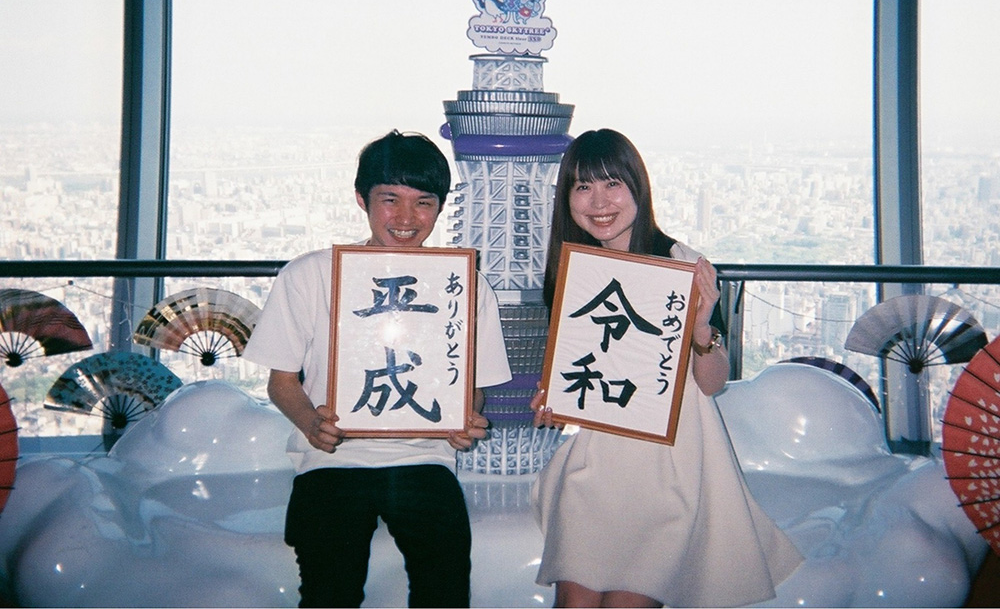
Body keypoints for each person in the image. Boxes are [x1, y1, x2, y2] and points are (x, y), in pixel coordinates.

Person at [531, 128, 802, 608]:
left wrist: (701, 327)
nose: (599, 201)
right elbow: (583, 368)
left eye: (612, 183)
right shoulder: (572, 271)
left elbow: (711, 383)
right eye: (583, 186)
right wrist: (552, 395)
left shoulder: (682, 264)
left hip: (671, 464)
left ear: (638, 187)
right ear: (566, 199)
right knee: (573, 602)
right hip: (598, 461)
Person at [243, 130, 512, 608]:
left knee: (445, 591)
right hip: (333, 459)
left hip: (425, 459)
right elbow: (281, 382)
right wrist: (311, 424)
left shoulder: (465, 284)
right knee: (329, 595)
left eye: (423, 202)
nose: (406, 218)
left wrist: (465, 417)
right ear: (361, 199)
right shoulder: (310, 274)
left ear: (440, 207)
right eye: (390, 199)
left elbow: (471, 386)